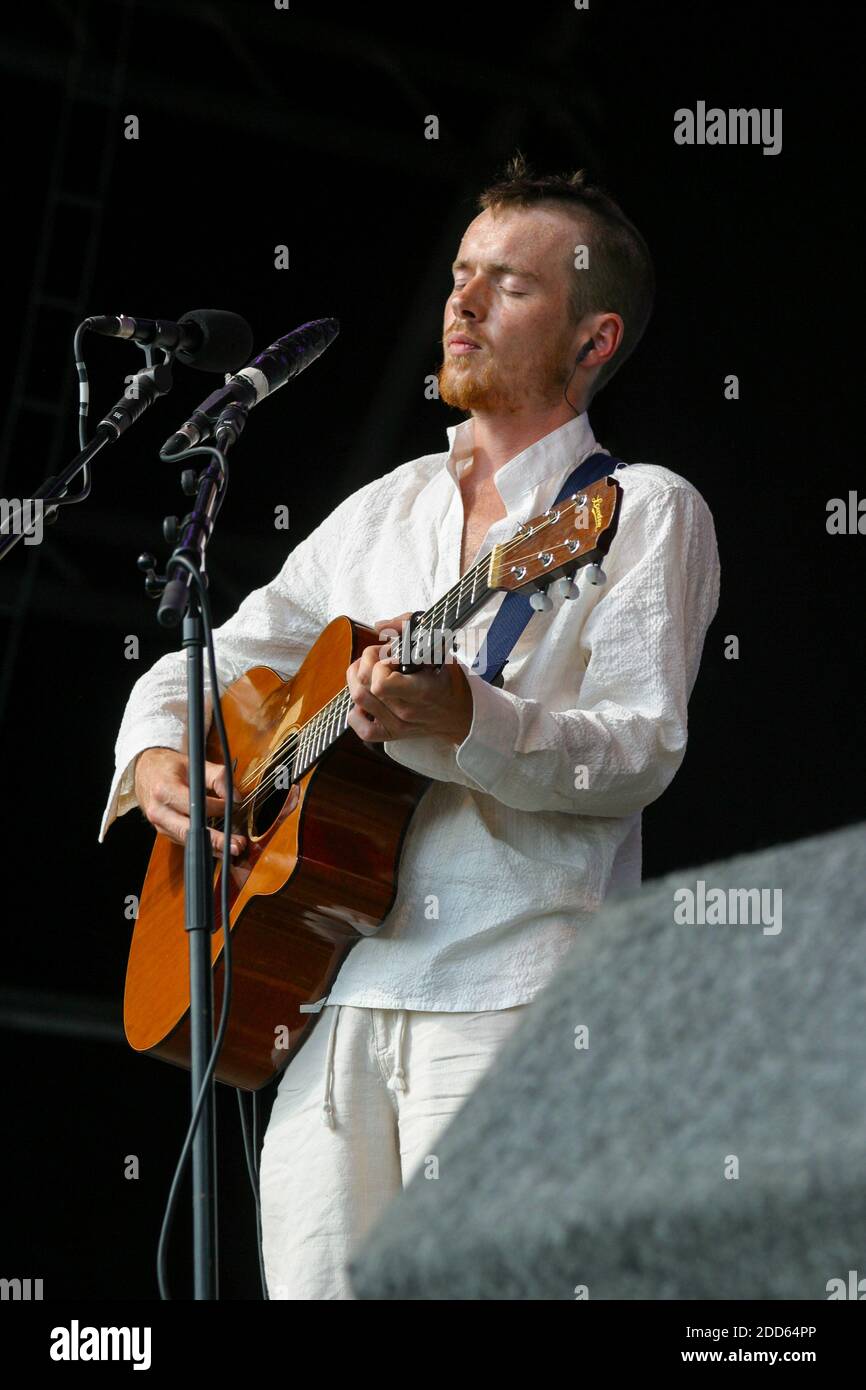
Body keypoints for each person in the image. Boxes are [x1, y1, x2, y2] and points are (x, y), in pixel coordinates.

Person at [99, 152, 721, 1299]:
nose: (463, 303)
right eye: (458, 274)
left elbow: (638, 750)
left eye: (510, 285)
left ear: (592, 341)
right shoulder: (379, 510)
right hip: (329, 995)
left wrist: (466, 714)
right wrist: (156, 758)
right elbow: (223, 656)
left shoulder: (638, 512)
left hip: (512, 996)